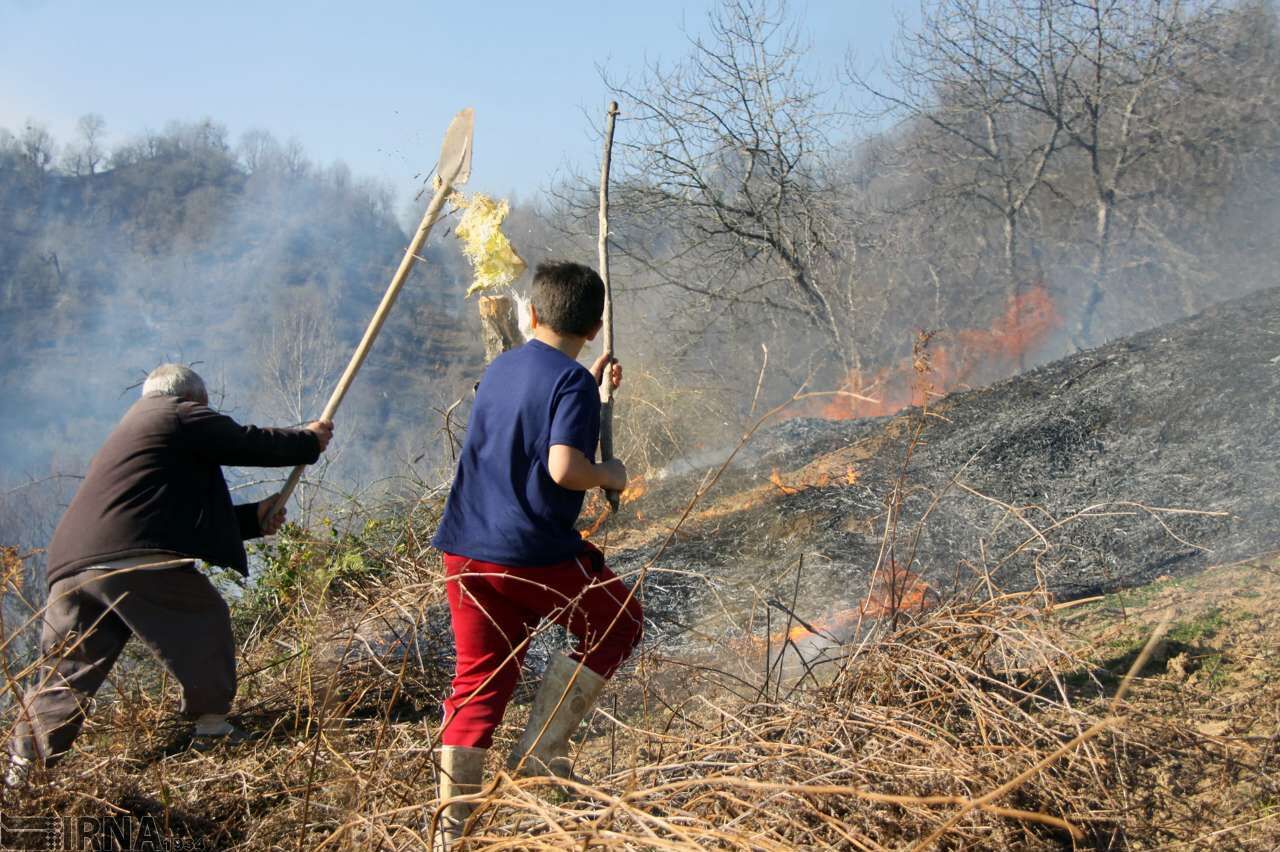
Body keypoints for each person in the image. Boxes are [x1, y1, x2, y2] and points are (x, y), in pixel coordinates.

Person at [7, 364, 333, 785]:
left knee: (68, 670)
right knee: (202, 614)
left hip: (72, 567)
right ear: (194, 400)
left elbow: (173, 520)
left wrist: (254, 517)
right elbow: (244, 441)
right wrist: (307, 441)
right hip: (127, 558)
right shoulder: (173, 412)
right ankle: (212, 725)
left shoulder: (137, 438)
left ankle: (24, 769)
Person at [430, 261, 643, 845]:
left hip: (465, 551)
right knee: (619, 620)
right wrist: (611, 474)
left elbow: (531, 413)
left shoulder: (501, 367)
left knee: (477, 683)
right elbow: (562, 466)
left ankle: (452, 831)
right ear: (595, 328)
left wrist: (593, 396)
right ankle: (542, 754)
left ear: (529, 315)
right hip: (528, 553)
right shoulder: (568, 382)